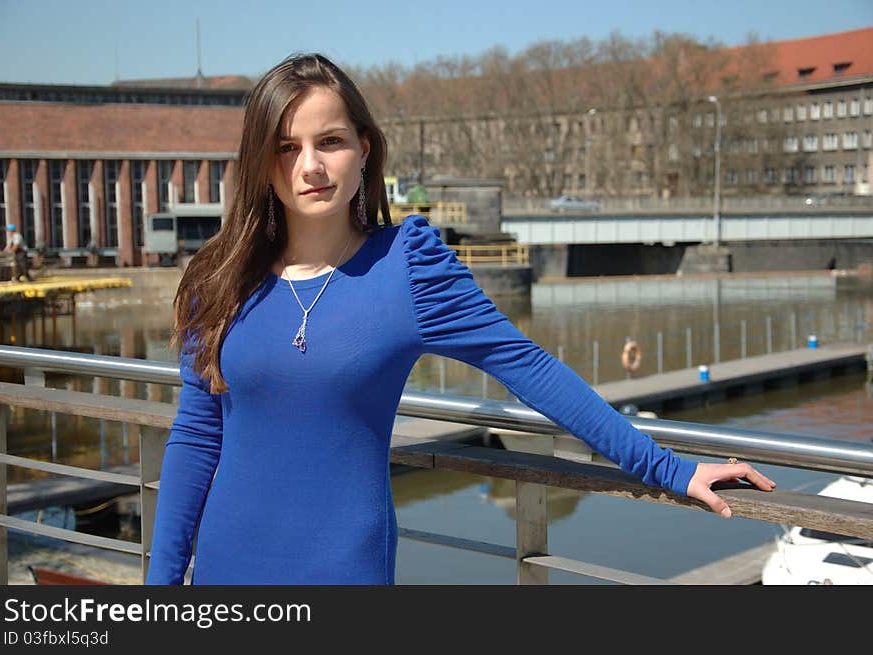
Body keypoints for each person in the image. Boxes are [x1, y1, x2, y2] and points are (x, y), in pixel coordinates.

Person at [145, 53, 776, 586]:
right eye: (286, 148)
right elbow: (198, 437)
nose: (309, 165)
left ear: (364, 149)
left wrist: (669, 468)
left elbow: (527, 367)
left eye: (329, 141)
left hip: (341, 568)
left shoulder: (408, 268)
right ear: (261, 163)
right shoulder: (219, 278)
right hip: (226, 568)